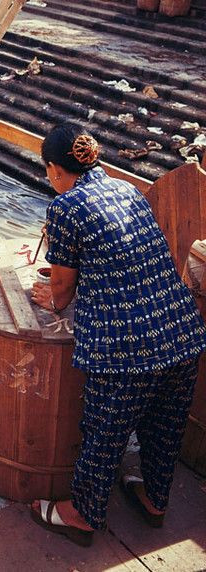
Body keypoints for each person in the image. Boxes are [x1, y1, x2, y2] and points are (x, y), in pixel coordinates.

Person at [28, 122, 206, 547]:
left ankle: (83, 516)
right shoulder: (126, 189)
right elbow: (122, 252)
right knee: (164, 426)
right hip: (181, 330)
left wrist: (50, 298)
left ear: (54, 170)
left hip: (128, 345)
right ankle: (154, 501)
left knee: (104, 433)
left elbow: (62, 290)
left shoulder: (66, 207)